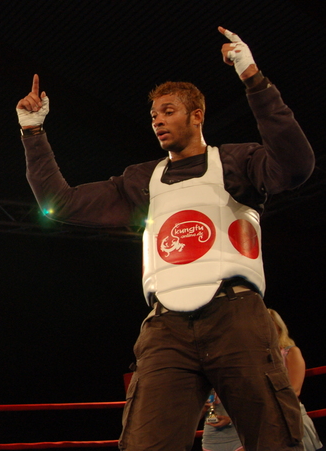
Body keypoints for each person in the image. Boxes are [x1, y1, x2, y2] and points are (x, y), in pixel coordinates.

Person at [16, 27, 314, 450]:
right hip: (165, 327)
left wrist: (253, 78)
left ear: (197, 116)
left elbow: (296, 166)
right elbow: (59, 202)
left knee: (273, 438)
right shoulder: (142, 180)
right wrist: (32, 132)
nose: (157, 120)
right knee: (144, 442)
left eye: (169, 111)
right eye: (154, 114)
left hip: (236, 317)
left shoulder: (238, 161)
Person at [269, 309, 323, 451]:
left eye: (268, 322)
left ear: (278, 326)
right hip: (268, 419)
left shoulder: (290, 352)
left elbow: (295, 389)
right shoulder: (257, 358)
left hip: (290, 414)